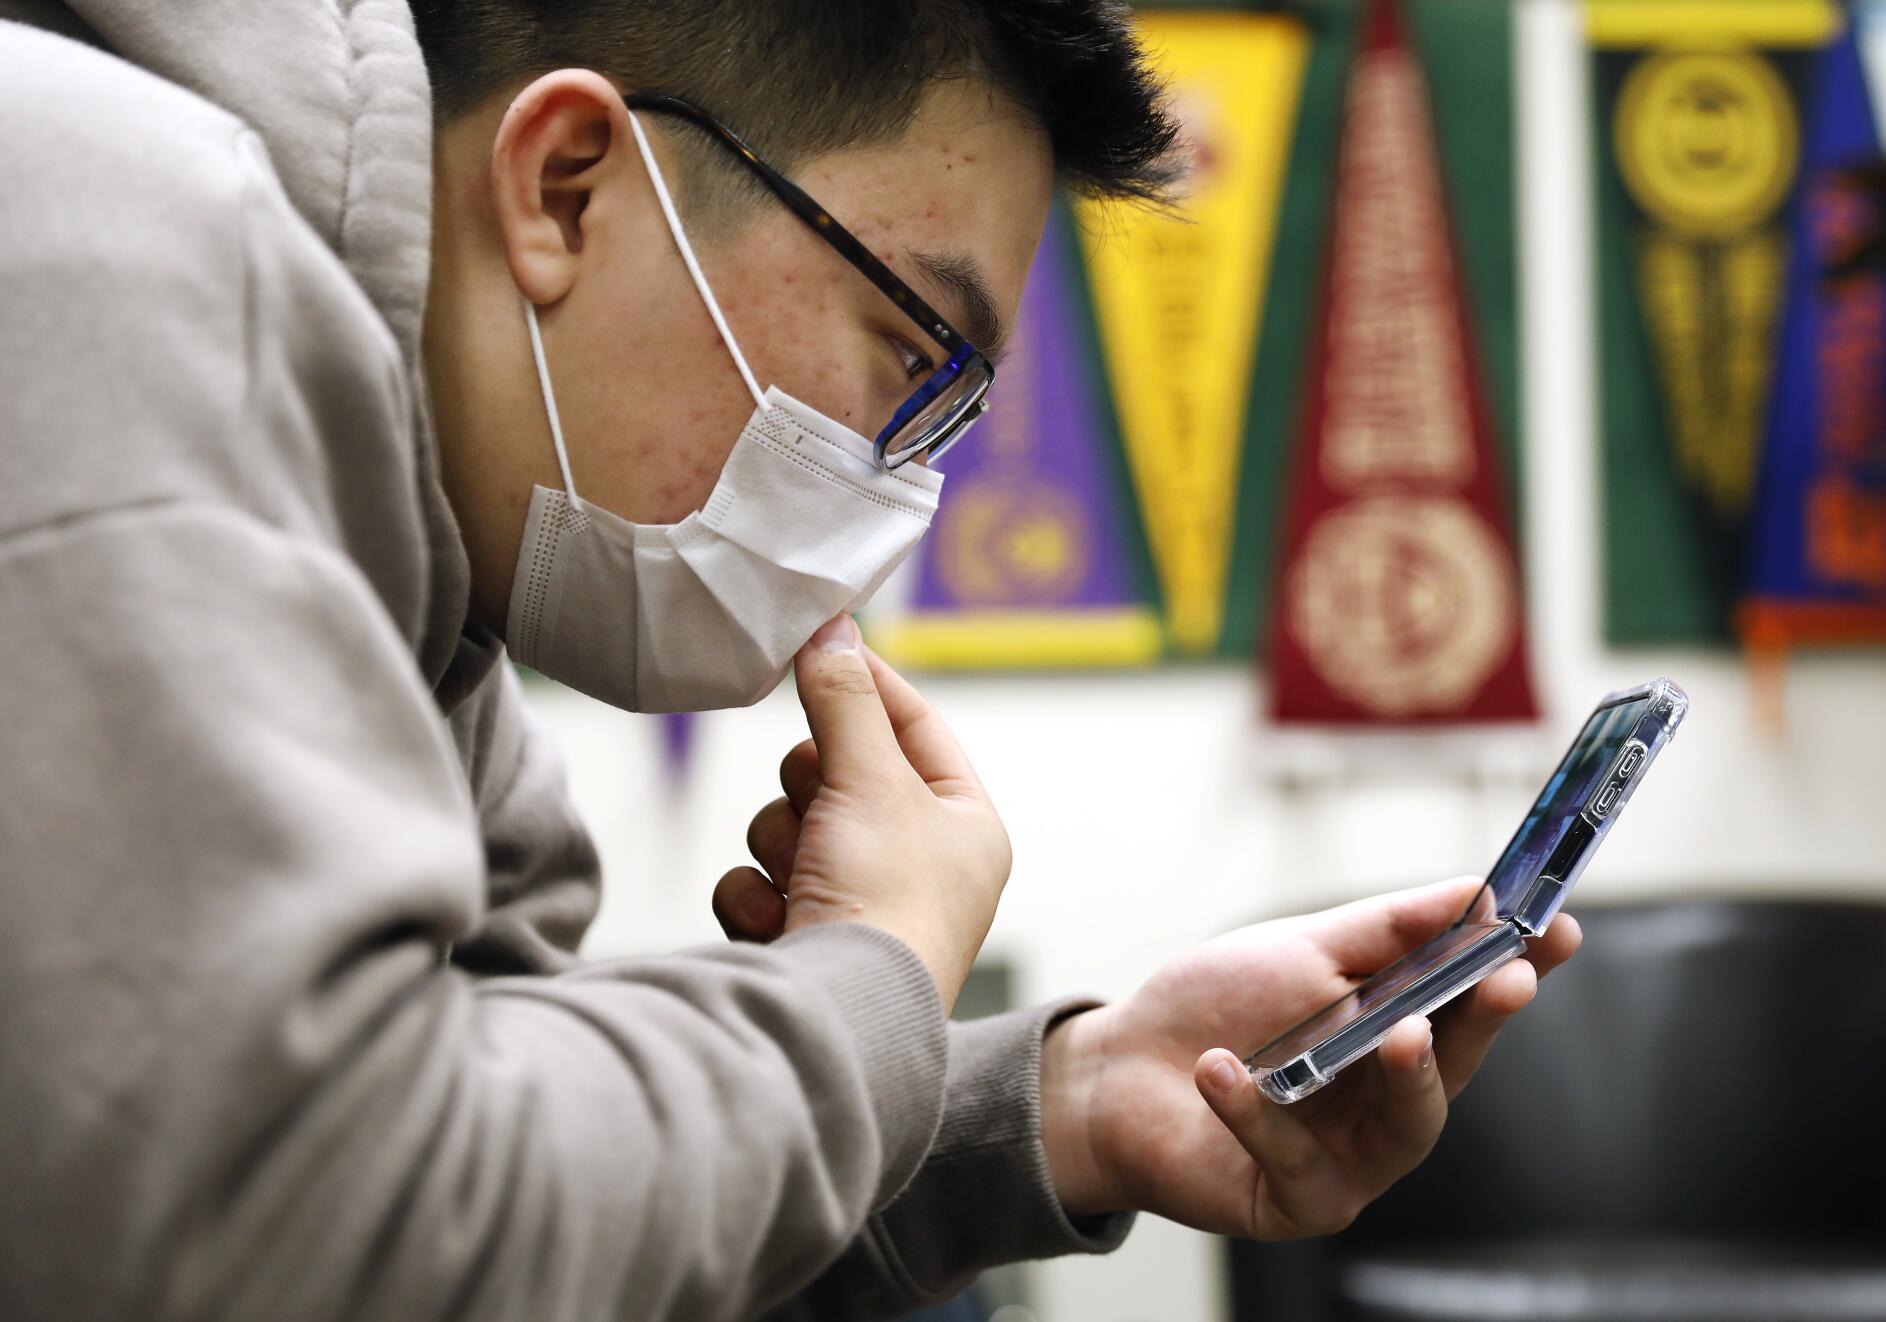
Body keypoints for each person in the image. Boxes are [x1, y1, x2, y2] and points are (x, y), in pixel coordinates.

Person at [0, 1, 1582, 1318]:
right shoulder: (119, 242)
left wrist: (1059, 1105)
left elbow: (534, 1200)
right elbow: (320, 1237)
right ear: (566, 185)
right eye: (913, 351)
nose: (902, 488)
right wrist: (878, 964)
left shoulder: (419, 546)